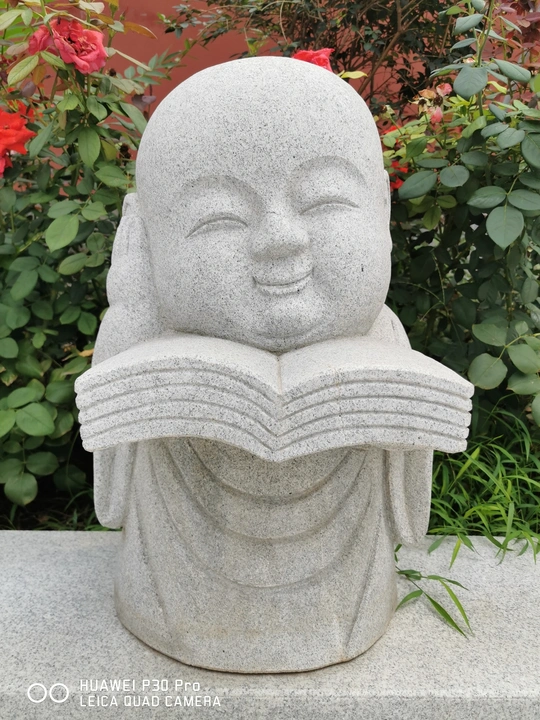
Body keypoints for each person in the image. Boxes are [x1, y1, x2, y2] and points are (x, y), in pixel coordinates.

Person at [84, 57, 469, 672]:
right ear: (147, 238)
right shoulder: (142, 340)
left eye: (324, 201)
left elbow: (408, 513)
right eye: (219, 217)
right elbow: (112, 502)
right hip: (173, 594)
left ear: (382, 215)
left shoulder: (381, 338)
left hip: (346, 600)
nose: (279, 239)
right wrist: (129, 315)